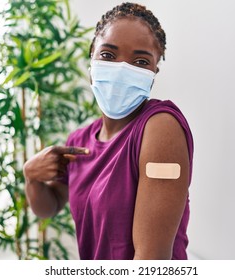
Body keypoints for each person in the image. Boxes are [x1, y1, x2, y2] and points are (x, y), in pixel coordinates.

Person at [23, 2, 194, 260]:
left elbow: (152, 260)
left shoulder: (160, 127)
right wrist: (31, 176)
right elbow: (49, 206)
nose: (122, 69)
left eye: (140, 61)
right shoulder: (79, 142)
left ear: (154, 72)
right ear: (91, 57)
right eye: (108, 55)